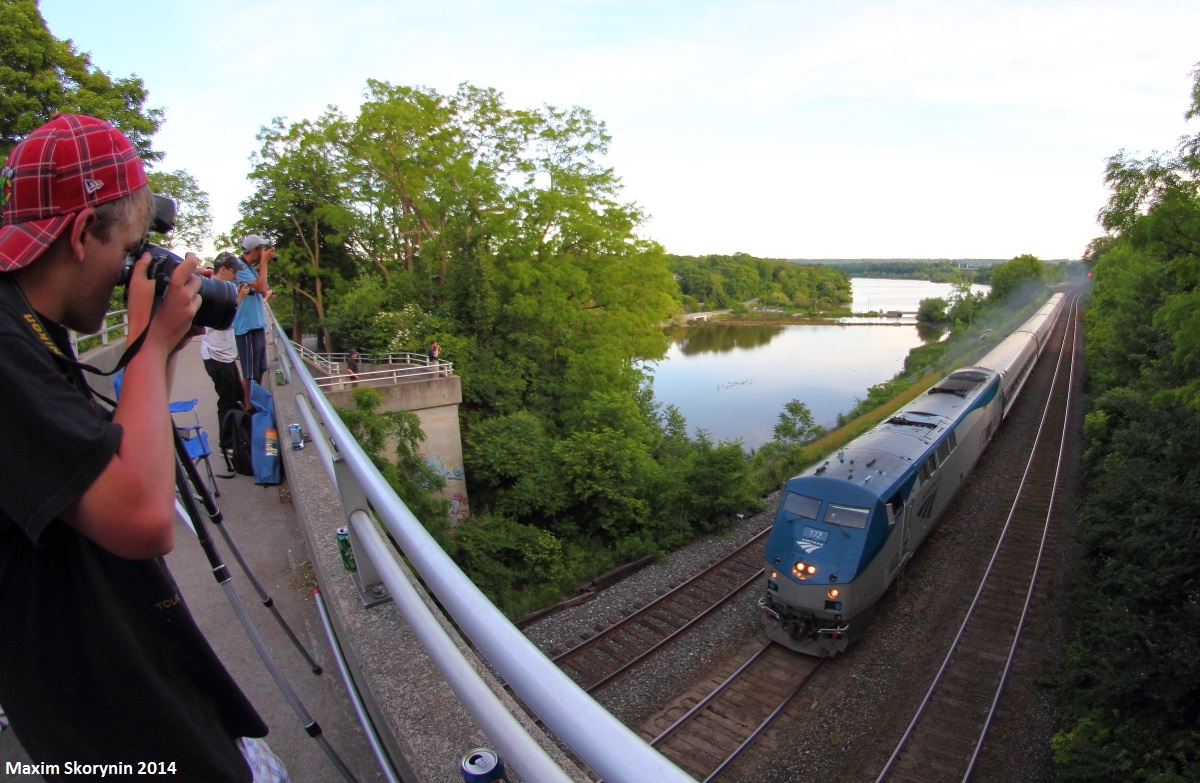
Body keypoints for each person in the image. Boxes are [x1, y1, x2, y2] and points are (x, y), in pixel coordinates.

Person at [0, 114, 284, 781]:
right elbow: (144, 517)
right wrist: (149, 341)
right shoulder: (7, 347)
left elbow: (113, 451)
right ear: (78, 234)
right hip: (93, 709)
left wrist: (154, 354)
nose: (136, 270)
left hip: (110, 661)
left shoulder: (27, 321)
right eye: (130, 250)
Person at [201, 251, 249, 446]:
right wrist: (239, 299)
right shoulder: (212, 291)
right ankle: (228, 445)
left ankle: (235, 439)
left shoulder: (224, 288)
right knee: (228, 401)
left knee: (236, 396)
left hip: (224, 355)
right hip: (216, 354)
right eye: (233, 271)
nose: (236, 276)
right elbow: (220, 320)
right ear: (223, 269)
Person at [232, 234, 274, 408]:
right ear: (255, 250)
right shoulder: (240, 266)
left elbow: (262, 290)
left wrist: (262, 264)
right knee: (249, 372)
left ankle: (257, 402)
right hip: (246, 327)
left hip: (257, 325)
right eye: (262, 249)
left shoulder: (249, 268)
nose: (264, 252)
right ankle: (249, 408)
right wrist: (264, 262)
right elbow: (262, 287)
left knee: (261, 368)